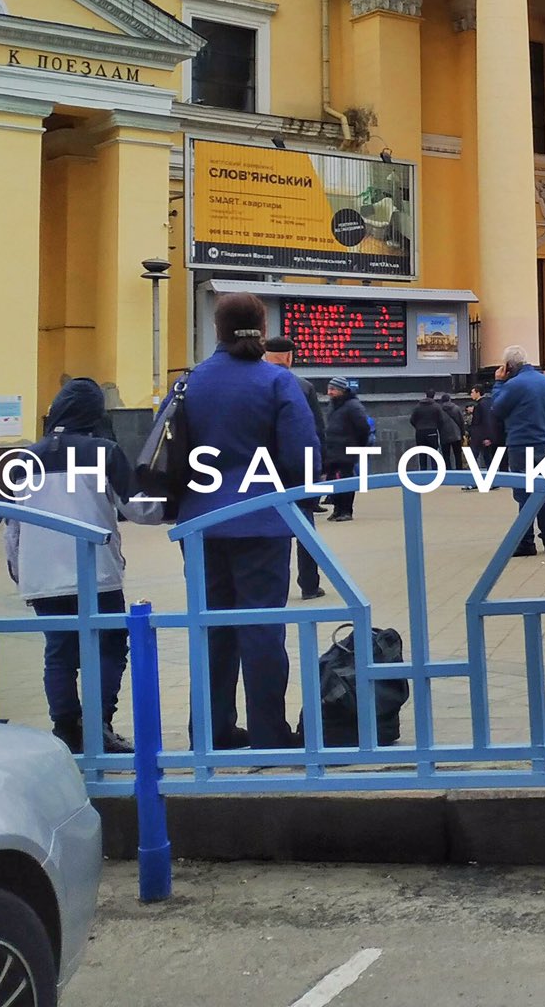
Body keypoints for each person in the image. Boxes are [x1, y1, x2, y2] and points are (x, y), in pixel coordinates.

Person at [177, 292, 319, 750]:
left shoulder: (190, 383)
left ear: (216, 329)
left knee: (210, 626)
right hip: (261, 520)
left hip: (200, 525)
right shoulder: (276, 382)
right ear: (261, 328)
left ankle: (212, 731)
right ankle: (268, 731)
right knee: (261, 628)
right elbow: (302, 459)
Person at [5, 377, 136, 754]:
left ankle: (65, 728)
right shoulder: (105, 451)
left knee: (59, 652)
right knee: (109, 647)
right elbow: (138, 508)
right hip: (98, 573)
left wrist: (19, 570)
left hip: (42, 574)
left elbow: (11, 525)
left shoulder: (22, 459)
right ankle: (99, 725)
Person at [263, 336, 329, 600]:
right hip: (298, 473)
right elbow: (316, 431)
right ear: (290, 356)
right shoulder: (303, 386)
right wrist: (318, 470)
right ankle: (309, 585)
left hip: (263, 472)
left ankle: (271, 586)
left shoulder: (255, 383)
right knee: (305, 531)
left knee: (267, 530)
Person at [490, 345, 545, 556]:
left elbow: (497, 409)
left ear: (509, 366)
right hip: (541, 443)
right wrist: (541, 427)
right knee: (541, 490)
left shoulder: (513, 384)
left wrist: (498, 383)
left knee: (523, 492)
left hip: (520, 444)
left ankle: (526, 542)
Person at [322, 377, 373, 521]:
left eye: (333, 389)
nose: (329, 392)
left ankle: (346, 510)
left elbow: (363, 428)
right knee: (333, 480)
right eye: (329, 389)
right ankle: (337, 509)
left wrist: (358, 446)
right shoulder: (333, 405)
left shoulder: (353, 406)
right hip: (333, 450)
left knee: (345, 479)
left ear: (342, 390)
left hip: (347, 449)